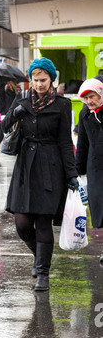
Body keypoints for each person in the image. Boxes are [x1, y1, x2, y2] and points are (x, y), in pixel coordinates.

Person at [1, 57, 79, 291]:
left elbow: (66, 142)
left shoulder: (63, 105)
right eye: (35, 80)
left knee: (43, 221)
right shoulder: (22, 98)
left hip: (50, 166)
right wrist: (14, 113)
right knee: (22, 223)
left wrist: (71, 173)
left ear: (51, 79)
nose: (38, 84)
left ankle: (43, 273)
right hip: (25, 165)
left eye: (43, 80)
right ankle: (40, 257)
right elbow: (4, 127)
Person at [76, 77, 103, 265]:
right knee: (100, 209)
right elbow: (82, 142)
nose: (89, 102)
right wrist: (78, 169)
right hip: (95, 168)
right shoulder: (85, 112)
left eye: (92, 97)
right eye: (86, 98)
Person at [0, 80, 19, 146]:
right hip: (10, 111)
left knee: (2, 127)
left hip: (6, 111)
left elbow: (1, 99)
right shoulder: (13, 87)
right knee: (3, 128)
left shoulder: (5, 87)